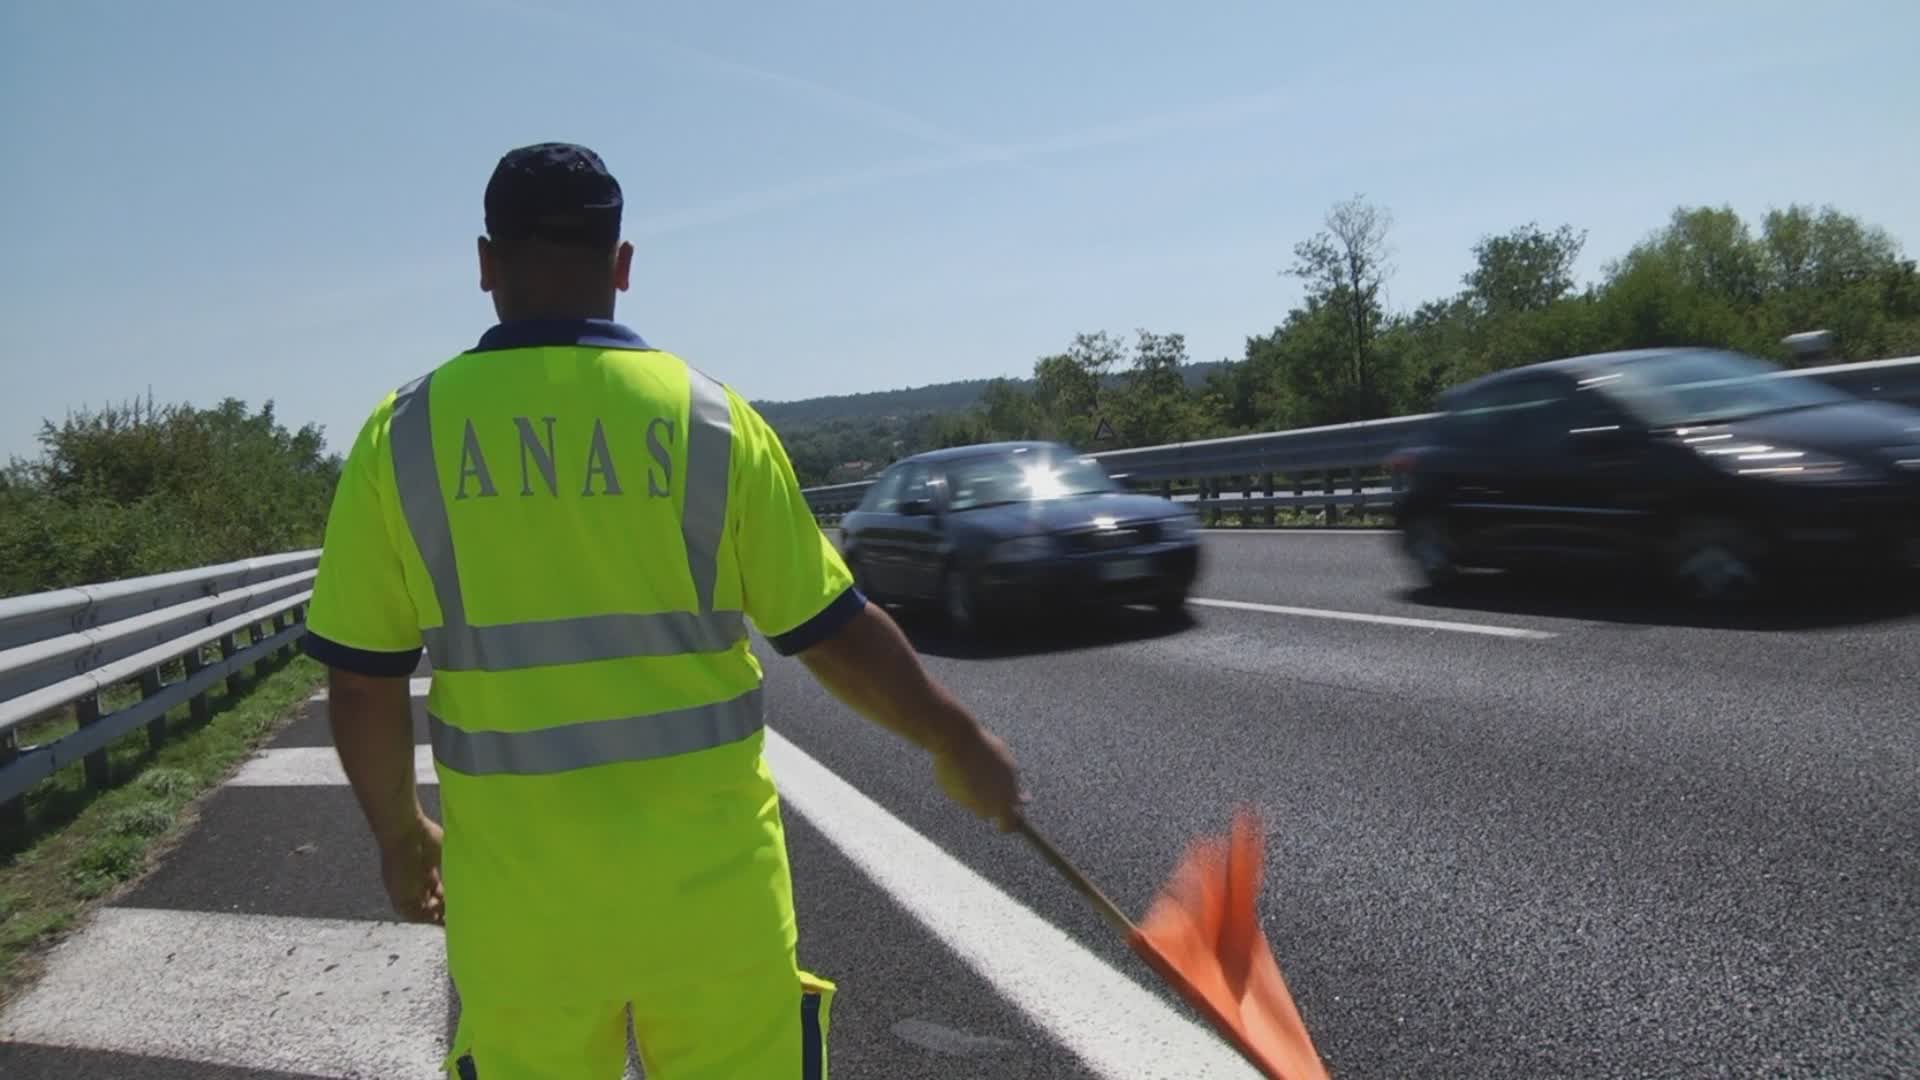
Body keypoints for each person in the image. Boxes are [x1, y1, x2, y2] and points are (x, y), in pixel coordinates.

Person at [300, 141, 1027, 1080]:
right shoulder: (713, 421)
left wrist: (403, 842)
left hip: (523, 921)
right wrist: (953, 739)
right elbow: (833, 632)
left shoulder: (400, 438)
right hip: (714, 909)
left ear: (485, 264)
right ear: (623, 265)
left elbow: (360, 682)